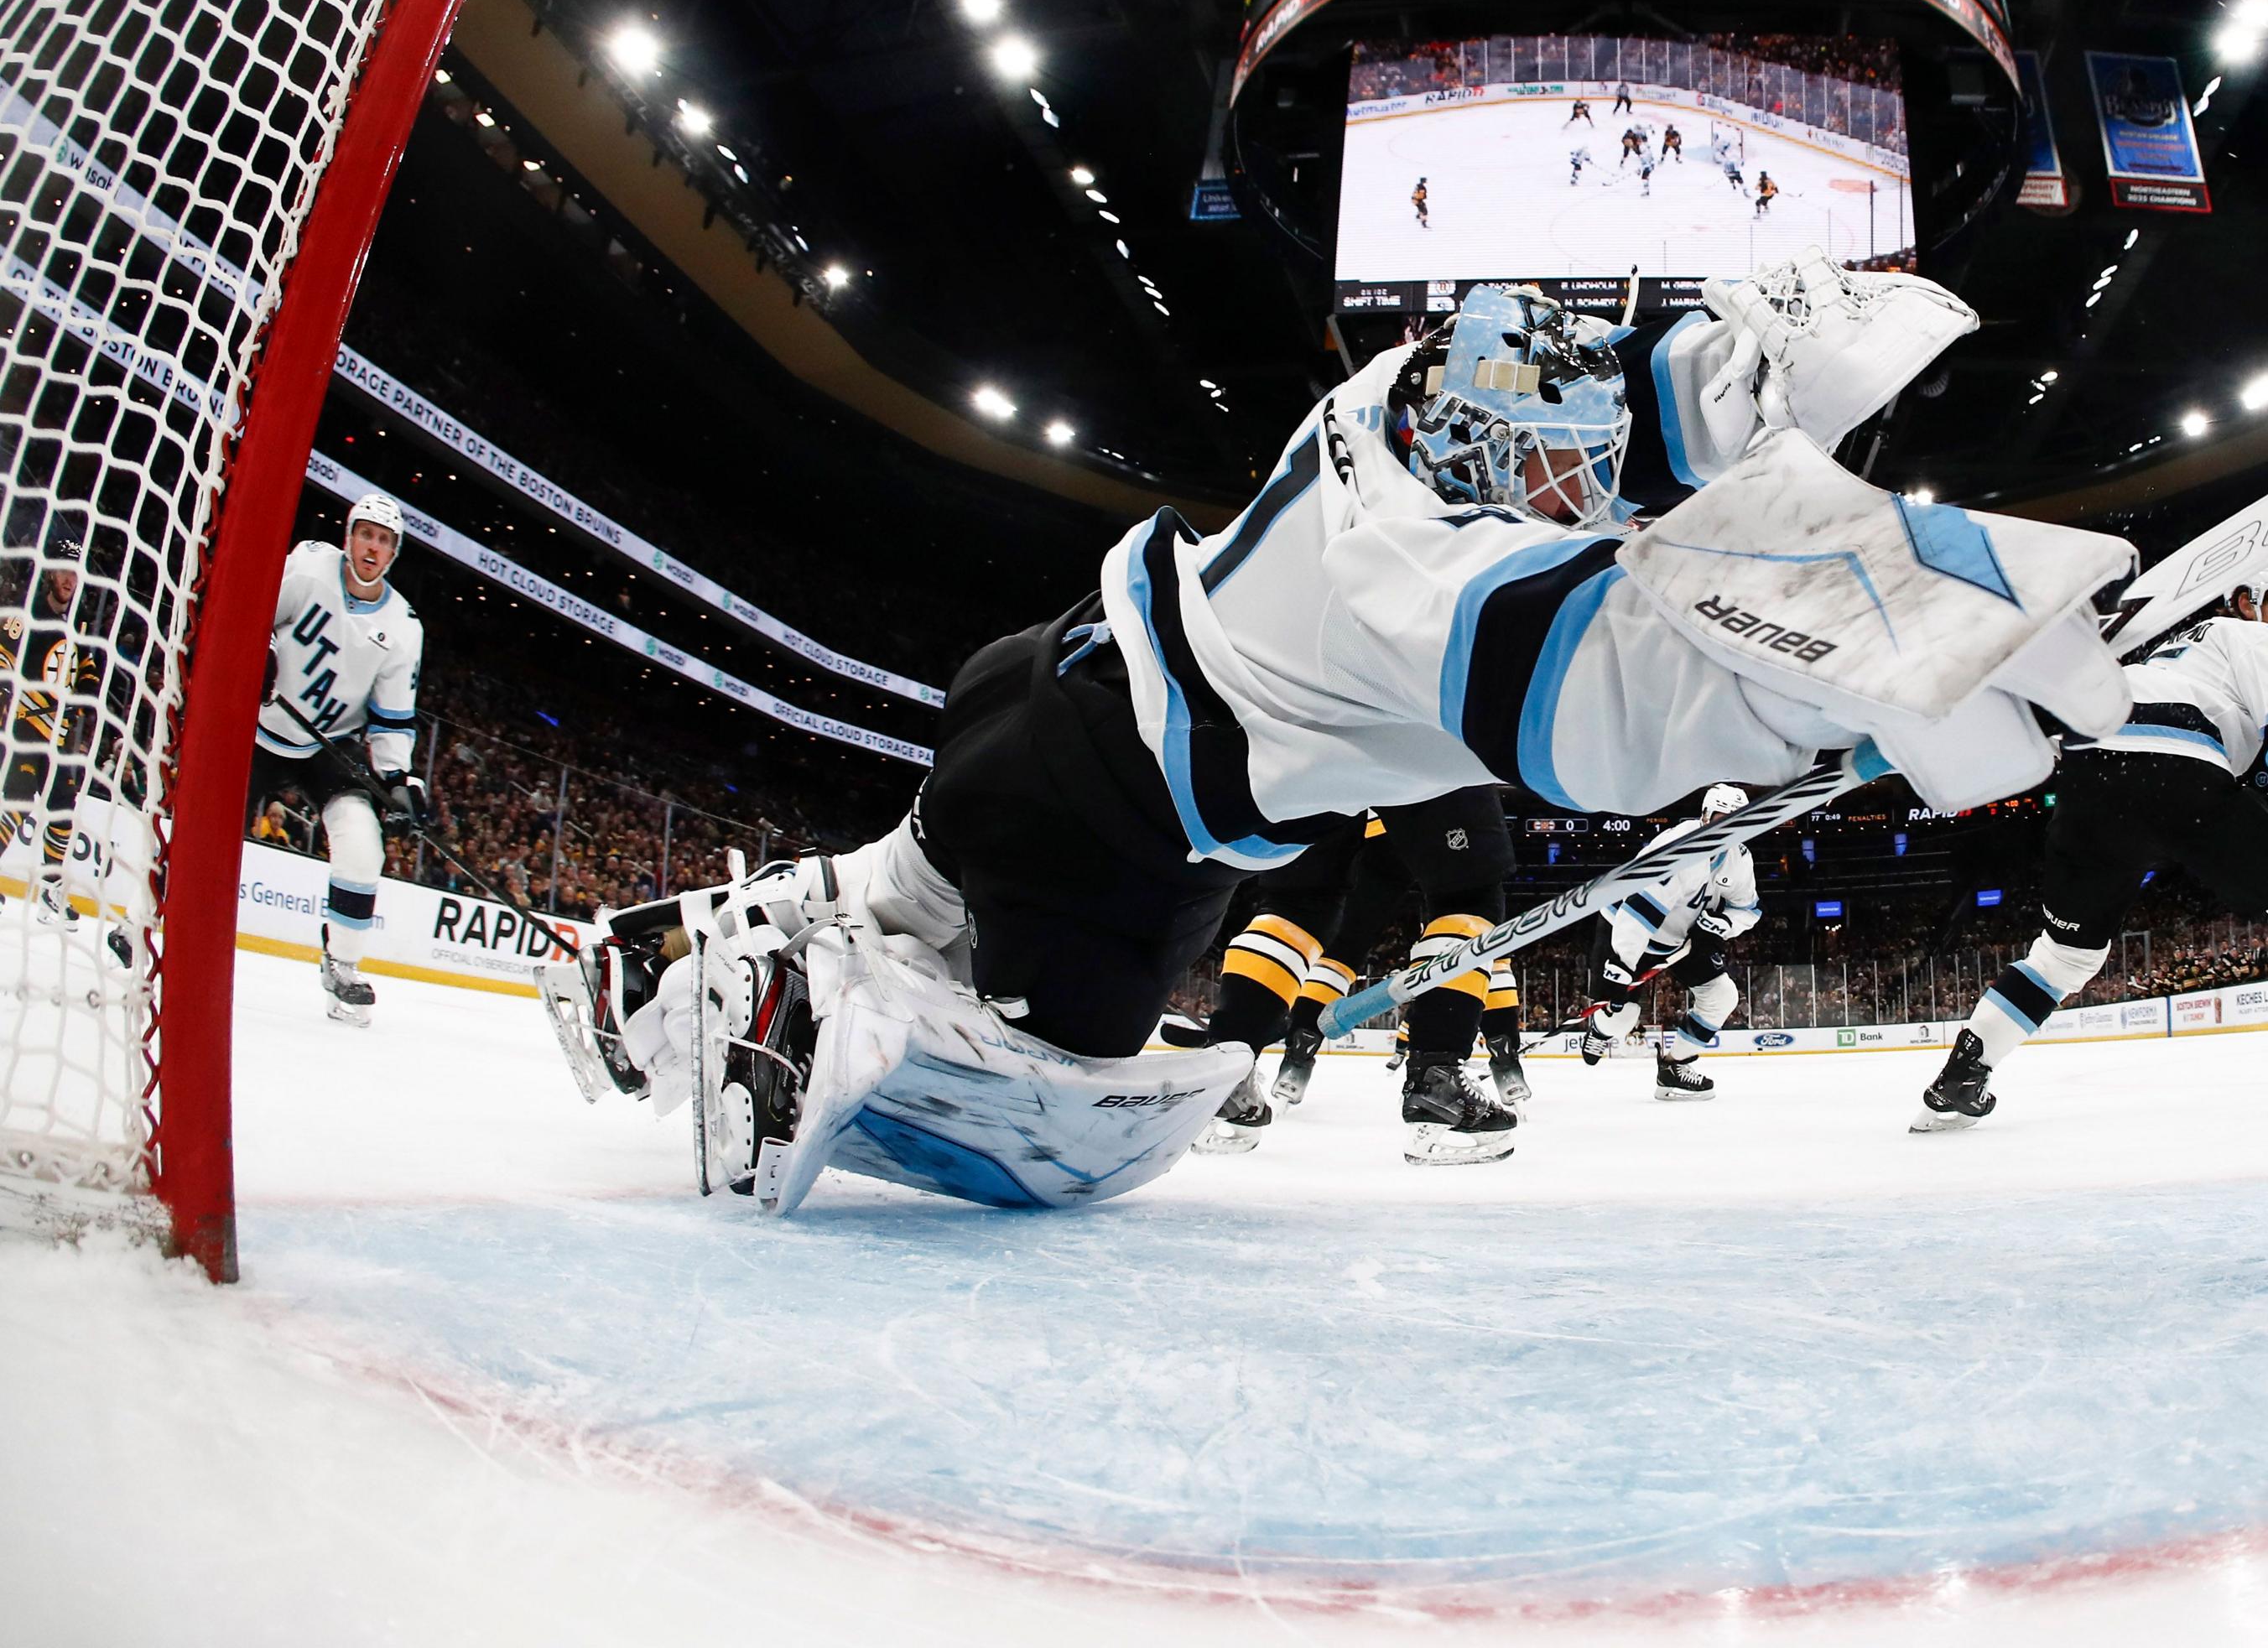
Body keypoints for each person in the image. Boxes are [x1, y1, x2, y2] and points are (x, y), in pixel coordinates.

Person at [565, 262, 2104, 1194]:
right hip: (1112, 822)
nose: (1578, 494)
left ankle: (706, 943)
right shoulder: (1420, 580)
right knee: (1063, 1140)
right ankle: (784, 1005)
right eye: (1549, 475)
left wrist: (1777, 382)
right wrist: (1883, 676)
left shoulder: (1391, 397)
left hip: (1039, 685)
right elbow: (1616, 719)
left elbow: (1620, 400)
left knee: (922, 880)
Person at [1915, 558, 2268, 1132]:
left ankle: (1960, 1078)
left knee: (2065, 955)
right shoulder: (2256, 638)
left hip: (2088, 774)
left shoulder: (2170, 652)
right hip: (2179, 764)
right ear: (2245, 602)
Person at [1168, 783, 1522, 1162]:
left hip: (1309, 745)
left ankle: (1226, 1073)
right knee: (1468, 896)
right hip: (1414, 745)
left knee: (1297, 904)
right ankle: (1438, 1079)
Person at [252, 493, 430, 1024]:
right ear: (348, 535)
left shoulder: (403, 625)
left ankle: (343, 967)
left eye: (384, 540)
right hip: (256, 725)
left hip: (326, 743)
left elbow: (393, 717)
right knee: (206, 831)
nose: (373, 547)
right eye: (366, 534)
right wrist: (258, 649)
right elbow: (258, 603)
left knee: (362, 843)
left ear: (394, 552)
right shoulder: (308, 565)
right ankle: (152, 924)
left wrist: (400, 780)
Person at [1578, 781, 1761, 1100]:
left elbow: (1748, 910)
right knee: (1622, 1018)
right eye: (1722, 818)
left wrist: (1724, 923)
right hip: (1625, 928)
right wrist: (1622, 966)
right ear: (1705, 816)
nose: (1730, 828)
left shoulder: (1740, 858)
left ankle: (1675, 1067)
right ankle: (1601, 1029)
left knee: (1722, 996)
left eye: (1739, 820)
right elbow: (1639, 911)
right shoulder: (1678, 851)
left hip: (1681, 936)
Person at [5, 528, 105, 945]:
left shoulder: (77, 622)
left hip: (61, 733)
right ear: (51, 573)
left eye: (76, 573)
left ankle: (50, 891)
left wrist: (89, 688)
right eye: (65, 570)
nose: (70, 580)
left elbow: (84, 668)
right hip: (27, 724)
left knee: (64, 806)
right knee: (19, 800)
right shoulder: (27, 613)